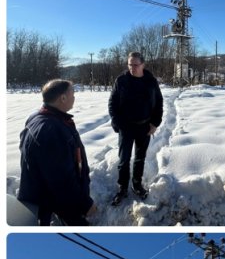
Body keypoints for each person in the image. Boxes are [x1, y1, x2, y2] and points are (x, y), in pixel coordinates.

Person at [17, 79, 95, 225]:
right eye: (72, 93)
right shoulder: (51, 129)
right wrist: (85, 204)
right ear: (63, 98)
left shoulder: (38, 117)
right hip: (55, 198)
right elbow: (62, 179)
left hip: (42, 191)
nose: (74, 97)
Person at [108, 51, 163, 205]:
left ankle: (136, 185)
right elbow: (112, 104)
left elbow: (159, 102)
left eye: (136, 65)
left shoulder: (151, 81)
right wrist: (117, 122)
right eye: (130, 64)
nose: (132, 68)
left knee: (140, 158)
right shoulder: (122, 81)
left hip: (144, 126)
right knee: (123, 159)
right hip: (126, 127)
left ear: (143, 65)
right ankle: (122, 187)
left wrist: (155, 123)